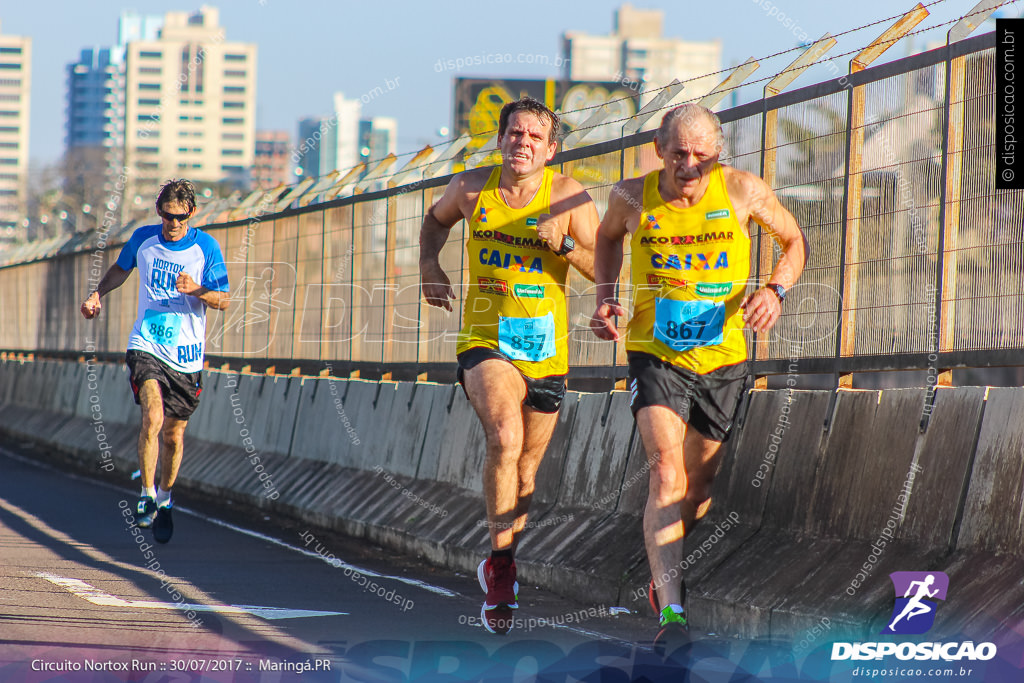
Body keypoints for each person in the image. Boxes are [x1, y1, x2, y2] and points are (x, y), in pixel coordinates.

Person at [589, 104, 806, 639]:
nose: (690, 166)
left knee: (698, 489)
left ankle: (664, 571)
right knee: (666, 473)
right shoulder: (631, 196)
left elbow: (794, 242)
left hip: (723, 357)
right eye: (679, 154)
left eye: (701, 156)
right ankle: (672, 610)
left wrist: (775, 290)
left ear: (718, 153)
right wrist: (605, 297)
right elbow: (608, 237)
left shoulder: (741, 190)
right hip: (653, 351)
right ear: (659, 149)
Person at [419, 97, 599, 634]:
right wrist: (430, 263)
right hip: (484, 339)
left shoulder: (569, 196)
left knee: (525, 472)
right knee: (504, 436)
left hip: (547, 351)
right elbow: (433, 223)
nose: (522, 142)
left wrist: (564, 243)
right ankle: (500, 574)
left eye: (534, 137)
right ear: (499, 140)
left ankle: (504, 556)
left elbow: (602, 267)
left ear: (551, 148)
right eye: (514, 134)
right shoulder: (470, 188)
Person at [81, 179, 230, 544]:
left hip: (186, 355)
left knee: (174, 435)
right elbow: (121, 268)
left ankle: (164, 499)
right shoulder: (144, 240)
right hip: (147, 344)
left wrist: (196, 289)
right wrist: (97, 293)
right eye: (166, 215)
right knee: (152, 416)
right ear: (159, 212)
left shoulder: (206, 248)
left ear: (191, 213)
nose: (172, 223)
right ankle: (146, 494)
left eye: (179, 217)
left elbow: (223, 299)